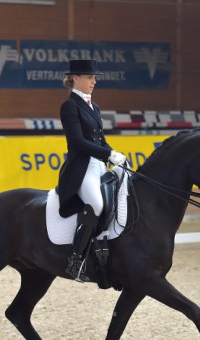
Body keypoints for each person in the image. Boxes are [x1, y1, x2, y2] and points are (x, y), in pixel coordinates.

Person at [57, 59, 126, 282]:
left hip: (99, 164)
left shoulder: (94, 106)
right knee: (96, 204)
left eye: (94, 78)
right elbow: (78, 142)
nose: (94, 82)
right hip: (82, 166)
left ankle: (106, 251)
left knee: (122, 194)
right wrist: (108, 155)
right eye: (90, 77)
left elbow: (100, 140)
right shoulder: (69, 106)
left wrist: (115, 154)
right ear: (75, 78)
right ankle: (75, 261)